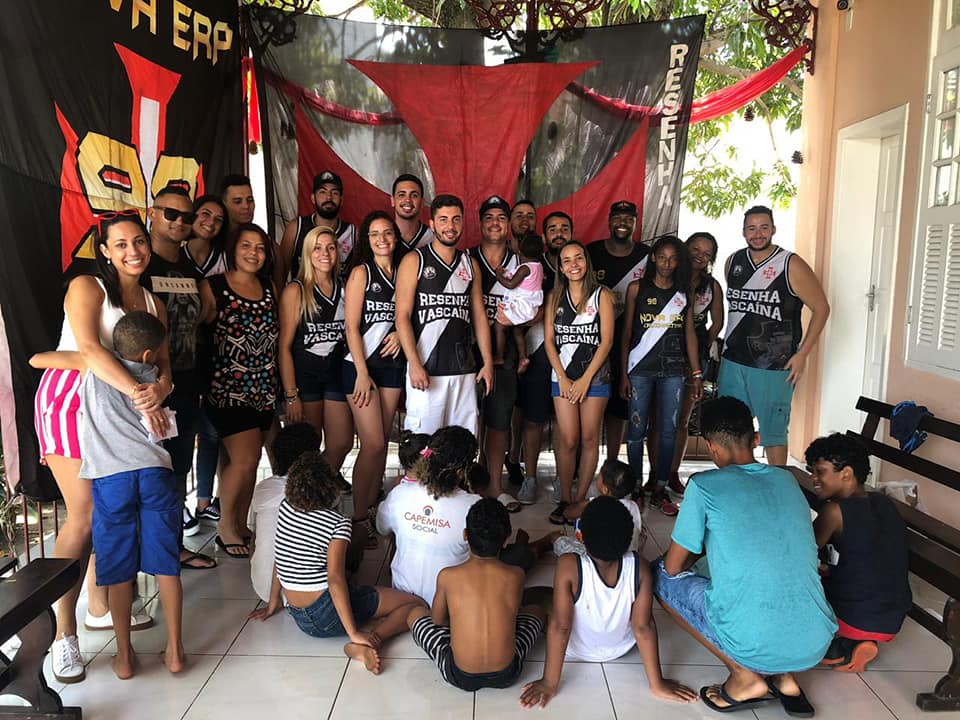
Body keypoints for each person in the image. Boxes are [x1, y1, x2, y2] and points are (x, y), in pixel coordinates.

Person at [32, 211, 168, 683]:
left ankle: (100, 605)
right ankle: (61, 634)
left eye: (139, 242)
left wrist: (159, 390)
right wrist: (139, 392)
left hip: (123, 409)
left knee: (114, 507)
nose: (133, 251)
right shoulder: (88, 286)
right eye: (121, 244)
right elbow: (89, 350)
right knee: (86, 513)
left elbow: (164, 366)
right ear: (105, 251)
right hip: (72, 402)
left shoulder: (153, 300)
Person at [655, 396, 836, 716]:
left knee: (659, 575)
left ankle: (744, 676)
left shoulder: (703, 486)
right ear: (756, 439)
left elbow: (673, 566)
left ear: (711, 447)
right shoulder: (786, 479)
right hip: (815, 641)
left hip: (752, 640)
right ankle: (784, 677)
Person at [250, 450, 425, 675]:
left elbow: (281, 556)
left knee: (362, 593)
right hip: (326, 613)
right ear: (330, 486)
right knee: (414, 604)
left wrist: (273, 603)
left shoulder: (286, 507)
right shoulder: (337, 523)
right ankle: (368, 642)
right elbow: (335, 579)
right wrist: (354, 633)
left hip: (299, 615)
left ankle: (363, 628)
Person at [80, 311, 184, 678]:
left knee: (118, 568)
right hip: (156, 472)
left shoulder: (94, 370)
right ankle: (175, 650)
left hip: (112, 479)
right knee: (167, 562)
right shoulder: (154, 379)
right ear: (149, 355)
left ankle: (124, 657)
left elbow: (38, 359)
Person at [519, 497, 696, 709]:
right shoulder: (640, 566)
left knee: (539, 596)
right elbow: (643, 626)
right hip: (619, 648)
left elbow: (561, 626)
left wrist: (549, 682)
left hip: (577, 648)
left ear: (580, 536)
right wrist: (657, 683)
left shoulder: (569, 565)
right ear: (628, 538)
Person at [141, 186, 218, 568]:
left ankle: (171, 549)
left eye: (187, 217)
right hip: (146, 388)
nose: (179, 222)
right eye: (171, 213)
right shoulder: (140, 265)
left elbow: (204, 315)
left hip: (185, 385)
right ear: (152, 213)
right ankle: (144, 555)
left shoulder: (189, 268)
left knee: (178, 468)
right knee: (148, 473)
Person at [719, 205, 830, 466]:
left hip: (773, 364)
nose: (758, 234)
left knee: (774, 434)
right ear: (743, 232)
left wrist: (802, 354)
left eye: (764, 227)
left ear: (773, 229)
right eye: (752, 228)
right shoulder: (733, 262)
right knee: (729, 431)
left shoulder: (790, 264)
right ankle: (735, 485)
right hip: (733, 360)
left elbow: (822, 308)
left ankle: (776, 486)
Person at [406, 498, 546, 691]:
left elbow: (438, 620)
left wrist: (461, 622)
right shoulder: (516, 575)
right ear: (507, 539)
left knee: (415, 613)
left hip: (460, 675)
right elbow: (513, 614)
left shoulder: (447, 576)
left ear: (465, 535)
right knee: (537, 611)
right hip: (507, 674)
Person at [199, 223, 279, 558]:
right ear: (232, 249)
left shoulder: (269, 287)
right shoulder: (213, 286)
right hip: (227, 389)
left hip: (264, 388)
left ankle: (240, 523)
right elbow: (197, 331)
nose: (253, 253)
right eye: (246, 245)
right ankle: (226, 527)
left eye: (260, 247)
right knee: (245, 459)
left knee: (247, 459)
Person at [806, 433, 911, 672]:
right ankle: (852, 644)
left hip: (854, 615)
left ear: (846, 474)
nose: (814, 478)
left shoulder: (834, 511)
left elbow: (804, 554)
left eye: (820, 472)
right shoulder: (883, 502)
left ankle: (839, 644)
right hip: (892, 617)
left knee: (799, 583)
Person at [395, 194, 494, 436]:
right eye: (443, 219)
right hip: (427, 369)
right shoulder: (415, 260)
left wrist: (488, 362)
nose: (450, 226)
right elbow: (402, 316)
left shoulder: (470, 264)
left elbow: (479, 316)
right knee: (423, 446)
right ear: (432, 224)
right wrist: (414, 363)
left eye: (456, 219)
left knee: (462, 444)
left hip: (463, 369)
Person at [620, 236, 702, 516]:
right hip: (640, 369)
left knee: (669, 431)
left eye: (673, 258)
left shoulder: (684, 292)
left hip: (674, 371)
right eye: (662, 257)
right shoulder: (637, 288)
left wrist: (697, 373)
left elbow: (689, 334)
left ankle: (660, 487)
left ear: (679, 262)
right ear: (653, 257)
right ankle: (635, 487)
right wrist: (623, 374)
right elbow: (626, 333)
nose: (667, 264)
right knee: (635, 432)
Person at [343, 211, 405, 554]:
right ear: (367, 239)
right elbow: (351, 327)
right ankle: (356, 518)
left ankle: (370, 510)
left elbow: (410, 315)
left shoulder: (405, 270)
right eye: (375, 234)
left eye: (388, 233)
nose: (383, 239)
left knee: (381, 446)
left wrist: (399, 333)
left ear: (395, 236)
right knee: (373, 444)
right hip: (360, 367)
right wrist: (362, 372)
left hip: (392, 366)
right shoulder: (361, 273)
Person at [277, 225, 354, 496]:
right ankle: (303, 498)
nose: (325, 253)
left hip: (336, 373)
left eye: (331, 248)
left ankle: (319, 484)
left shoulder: (345, 288)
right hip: (305, 375)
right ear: (307, 254)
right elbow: (284, 347)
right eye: (318, 248)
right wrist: (291, 395)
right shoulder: (296, 290)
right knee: (307, 445)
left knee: (342, 442)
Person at [544, 241, 614, 526]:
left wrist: (585, 380)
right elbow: (549, 341)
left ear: (586, 262)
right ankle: (564, 497)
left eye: (578, 258)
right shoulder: (554, 297)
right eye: (567, 260)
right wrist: (562, 377)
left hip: (594, 378)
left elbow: (606, 341)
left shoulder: (602, 295)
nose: (574, 265)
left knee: (589, 438)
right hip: (562, 376)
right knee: (569, 438)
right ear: (560, 268)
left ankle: (580, 499)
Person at [376, 426, 481, 606]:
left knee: (396, 528)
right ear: (464, 469)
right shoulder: (474, 506)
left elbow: (381, 528)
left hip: (402, 600)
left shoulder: (400, 493)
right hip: (448, 604)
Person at [508, 211, 570, 501]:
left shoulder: (576, 263)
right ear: (544, 236)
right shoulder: (534, 264)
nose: (559, 233)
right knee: (533, 418)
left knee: (562, 421)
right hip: (536, 349)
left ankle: (561, 478)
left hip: (571, 352)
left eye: (564, 228)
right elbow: (523, 306)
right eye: (553, 229)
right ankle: (530, 478)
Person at [470, 195, 523, 511]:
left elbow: (538, 307)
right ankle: (467, 484)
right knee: (469, 420)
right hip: (467, 353)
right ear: (480, 224)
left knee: (500, 420)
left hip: (505, 356)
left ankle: (495, 485)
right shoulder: (465, 259)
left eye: (501, 218)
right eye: (489, 217)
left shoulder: (521, 263)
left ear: (509, 224)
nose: (495, 223)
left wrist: (516, 318)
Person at [588, 200, 650, 462]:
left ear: (635, 223)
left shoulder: (647, 255)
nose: (622, 223)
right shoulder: (591, 252)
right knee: (589, 405)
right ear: (609, 221)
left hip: (631, 343)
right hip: (591, 341)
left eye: (628, 218)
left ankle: (612, 462)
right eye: (618, 217)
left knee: (619, 407)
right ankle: (583, 462)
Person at [668, 231, 724, 495]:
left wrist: (703, 345)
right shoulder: (668, 276)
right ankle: (655, 473)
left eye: (707, 253)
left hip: (694, 358)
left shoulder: (711, 286)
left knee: (682, 418)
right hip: (664, 351)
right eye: (696, 249)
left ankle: (672, 473)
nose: (700, 256)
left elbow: (718, 322)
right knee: (660, 418)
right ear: (685, 248)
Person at [250, 422, 321, 603]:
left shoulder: (264, 487)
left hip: (263, 588)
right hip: (310, 594)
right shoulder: (322, 489)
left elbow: (255, 539)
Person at [276, 170, 356, 286]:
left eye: (334, 193)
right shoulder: (296, 228)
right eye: (323, 192)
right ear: (313, 198)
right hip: (303, 295)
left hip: (340, 296)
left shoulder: (352, 233)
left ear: (341, 200)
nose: (329, 197)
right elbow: (280, 271)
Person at [554, 459, 643, 556]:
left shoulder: (595, 504)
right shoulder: (633, 506)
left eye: (599, 475)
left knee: (556, 538)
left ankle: (548, 540)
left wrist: (578, 506)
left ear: (605, 490)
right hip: (627, 558)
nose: (596, 477)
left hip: (597, 559)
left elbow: (568, 513)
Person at [494, 231, 544, 372]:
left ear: (520, 251)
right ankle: (523, 357)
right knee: (517, 331)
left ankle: (499, 356)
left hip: (521, 305)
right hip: (532, 307)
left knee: (499, 326)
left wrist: (499, 276)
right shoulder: (538, 266)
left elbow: (511, 284)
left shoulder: (525, 268)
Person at [183, 194, 228, 278]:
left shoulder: (226, 258)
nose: (211, 222)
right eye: (206, 214)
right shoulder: (175, 256)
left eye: (218, 219)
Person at [392, 173, 431, 253]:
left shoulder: (433, 239)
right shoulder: (381, 237)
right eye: (401, 195)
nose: (408, 200)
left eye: (414, 195)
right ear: (393, 201)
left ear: (422, 202)